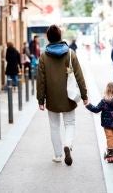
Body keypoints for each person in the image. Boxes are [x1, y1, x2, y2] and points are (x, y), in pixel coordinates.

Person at [37, 25, 88, 166]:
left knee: (54, 126)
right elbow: (79, 76)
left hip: (52, 98)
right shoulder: (70, 53)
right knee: (70, 123)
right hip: (69, 97)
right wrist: (84, 96)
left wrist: (40, 99)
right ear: (60, 36)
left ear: (48, 38)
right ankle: (68, 144)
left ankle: (58, 155)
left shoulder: (43, 57)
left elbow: (40, 80)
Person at [86, 82, 113, 163]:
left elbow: (96, 109)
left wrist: (88, 105)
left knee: (109, 137)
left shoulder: (104, 101)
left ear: (106, 90)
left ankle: (110, 154)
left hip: (106, 124)